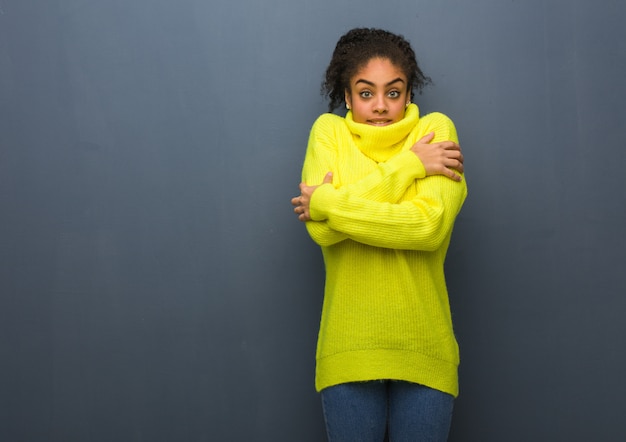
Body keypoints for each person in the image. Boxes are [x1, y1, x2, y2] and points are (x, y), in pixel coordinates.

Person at [291, 28, 467, 441]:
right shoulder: (328, 133)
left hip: (424, 348)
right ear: (348, 96)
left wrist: (329, 202)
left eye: (394, 92)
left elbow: (427, 227)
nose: (381, 106)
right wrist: (409, 167)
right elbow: (322, 234)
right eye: (366, 93)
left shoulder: (435, 132)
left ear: (408, 94)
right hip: (349, 349)